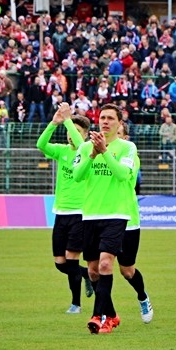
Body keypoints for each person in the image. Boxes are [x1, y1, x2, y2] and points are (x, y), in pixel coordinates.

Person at [72, 104, 139, 335]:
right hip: (90, 215)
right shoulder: (84, 147)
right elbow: (78, 177)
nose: (106, 121)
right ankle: (111, 314)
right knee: (92, 271)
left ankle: (98, 317)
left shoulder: (127, 147)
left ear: (119, 123)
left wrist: (105, 152)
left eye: (111, 118)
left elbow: (122, 175)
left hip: (116, 215)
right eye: (102, 117)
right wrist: (92, 154)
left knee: (105, 264)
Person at [36, 103, 93, 314]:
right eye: (70, 131)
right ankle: (88, 273)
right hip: (60, 213)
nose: (71, 135)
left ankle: (76, 304)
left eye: (77, 131)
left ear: (86, 135)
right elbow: (41, 145)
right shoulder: (61, 151)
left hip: (79, 213)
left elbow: (80, 145)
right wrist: (54, 123)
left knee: (71, 259)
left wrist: (68, 121)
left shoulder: (87, 150)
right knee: (60, 264)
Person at [117, 123, 154, 324]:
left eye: (120, 134)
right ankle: (105, 314)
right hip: (102, 217)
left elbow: (122, 176)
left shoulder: (132, 157)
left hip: (128, 220)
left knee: (127, 271)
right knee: (97, 268)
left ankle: (142, 297)